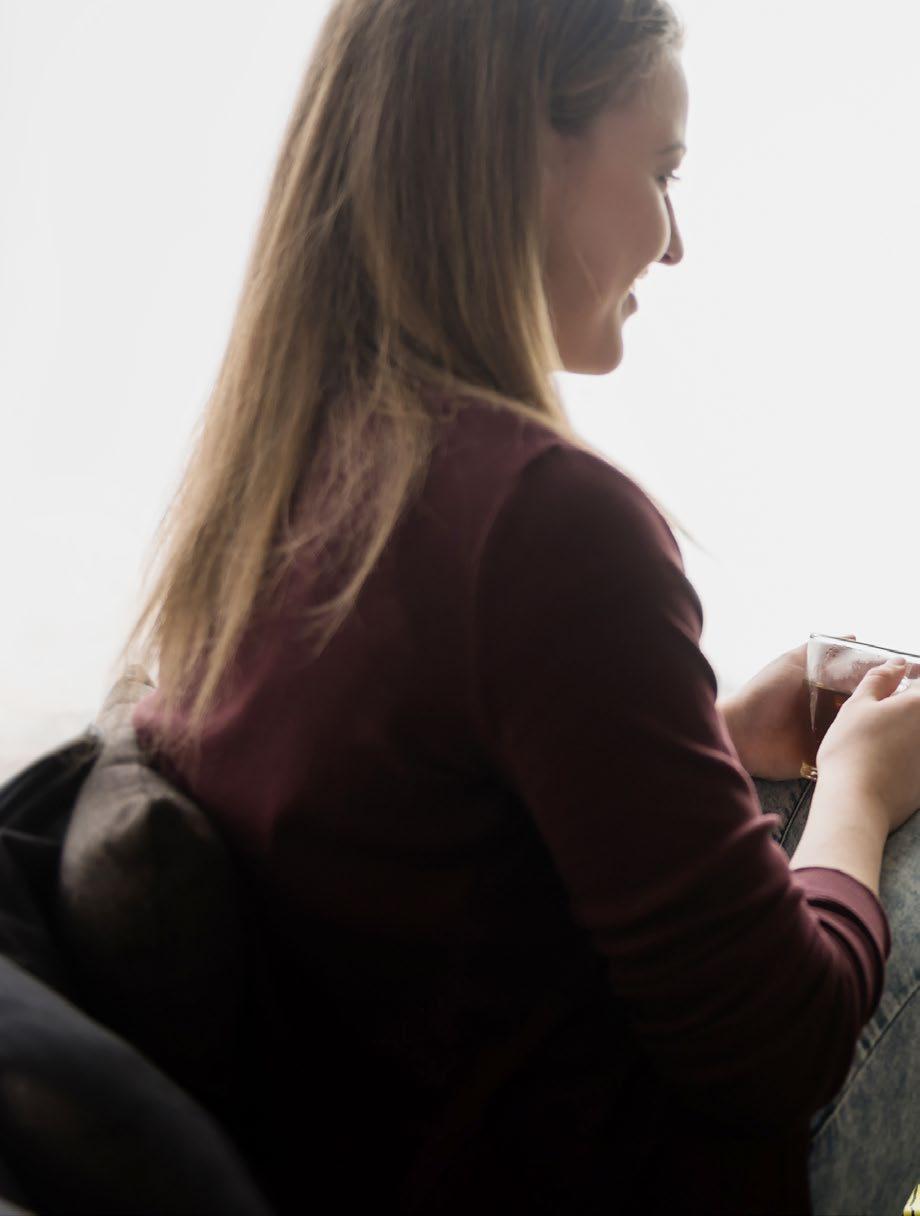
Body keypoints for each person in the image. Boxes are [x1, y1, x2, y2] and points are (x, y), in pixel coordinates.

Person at [126, 1, 920, 1212]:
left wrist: (695, 730)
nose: (672, 243)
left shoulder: (280, 475)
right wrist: (861, 781)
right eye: (658, 170)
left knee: (785, 800)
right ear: (517, 156)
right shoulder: (541, 520)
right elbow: (778, 1045)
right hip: (607, 1173)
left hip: (388, 1135)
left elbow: (452, 811)